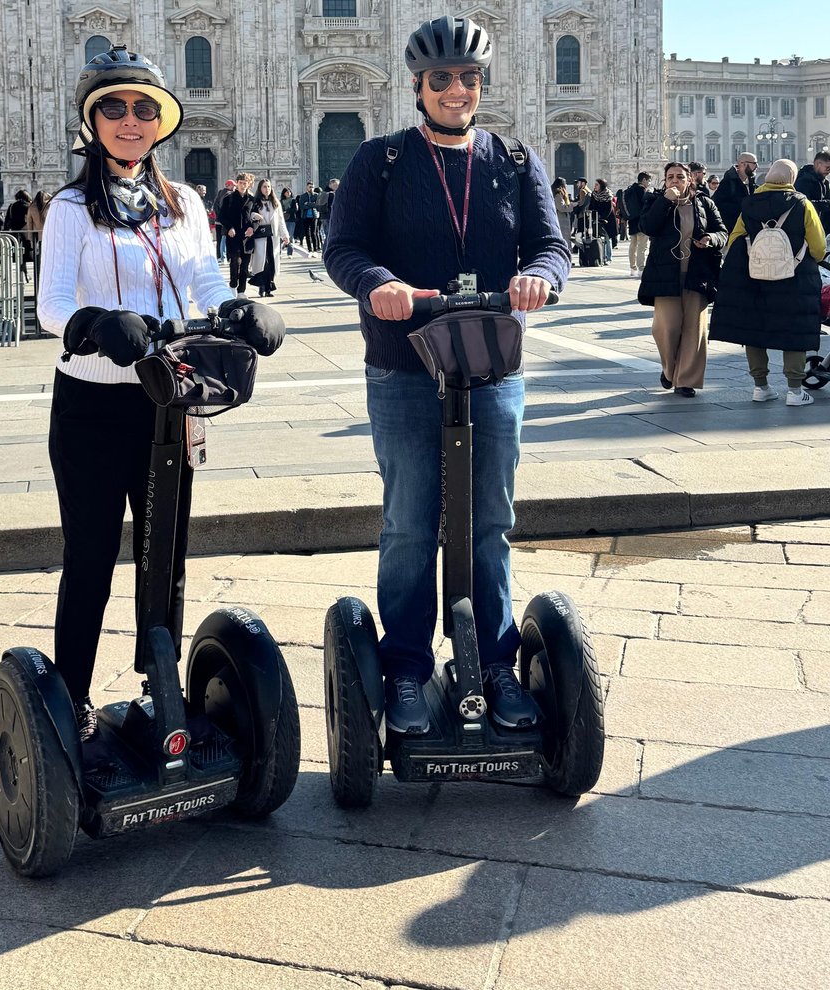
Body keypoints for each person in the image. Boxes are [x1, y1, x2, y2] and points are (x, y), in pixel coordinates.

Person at [323, 15, 570, 734]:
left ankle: (494, 663)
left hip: (492, 364)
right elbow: (344, 247)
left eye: (467, 79)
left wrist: (537, 278)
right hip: (404, 364)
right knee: (408, 522)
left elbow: (552, 247)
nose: (456, 90)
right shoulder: (381, 160)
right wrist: (376, 282)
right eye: (441, 80)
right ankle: (405, 666)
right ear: (417, 87)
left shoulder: (517, 161)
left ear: (479, 85)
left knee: (491, 519)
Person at [36, 45, 283, 739]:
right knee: (88, 558)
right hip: (91, 405)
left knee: (163, 552)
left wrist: (239, 308)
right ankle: (72, 701)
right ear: (93, 123)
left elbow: (204, 281)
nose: (130, 121)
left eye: (143, 109)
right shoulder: (69, 208)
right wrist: (93, 322)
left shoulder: (187, 203)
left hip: (167, 403)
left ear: (160, 123)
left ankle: (160, 691)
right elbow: (50, 306)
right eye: (113, 108)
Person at [710, 159, 826, 407]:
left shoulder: (750, 203)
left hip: (756, 277)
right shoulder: (802, 204)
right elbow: (818, 246)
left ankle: (760, 387)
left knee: (755, 329)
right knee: (794, 329)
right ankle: (795, 391)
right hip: (794, 279)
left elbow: (736, 238)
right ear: (791, 179)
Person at [637, 161, 727, 398]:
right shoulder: (655, 200)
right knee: (666, 328)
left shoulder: (705, 203)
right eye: (670, 177)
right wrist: (665, 200)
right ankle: (669, 370)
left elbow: (722, 232)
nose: (674, 181)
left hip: (697, 273)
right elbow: (647, 226)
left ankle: (685, 380)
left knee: (694, 330)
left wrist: (710, 238)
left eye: (679, 177)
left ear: (690, 180)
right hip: (665, 274)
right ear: (665, 181)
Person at [248, 178, 289, 296]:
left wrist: (285, 235)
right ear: (260, 189)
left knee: (272, 261)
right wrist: (254, 215)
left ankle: (269, 286)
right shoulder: (255, 202)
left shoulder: (275, 203)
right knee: (262, 262)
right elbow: (248, 215)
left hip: (273, 236)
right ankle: (262, 286)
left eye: (269, 187)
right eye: (264, 187)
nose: (267, 189)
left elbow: (281, 220)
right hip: (260, 236)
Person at [218, 172, 257, 293]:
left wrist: (252, 228)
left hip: (247, 236)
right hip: (233, 235)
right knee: (235, 262)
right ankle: (233, 285)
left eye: (245, 183)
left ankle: (242, 291)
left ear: (249, 185)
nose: (242, 185)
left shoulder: (252, 200)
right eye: (240, 183)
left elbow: (256, 217)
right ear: (237, 183)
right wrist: (229, 228)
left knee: (245, 265)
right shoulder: (228, 198)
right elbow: (221, 216)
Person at [794, 150, 830, 236]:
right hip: (809, 228)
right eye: (828, 167)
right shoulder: (803, 181)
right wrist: (829, 204)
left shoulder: (826, 182)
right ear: (818, 164)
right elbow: (803, 204)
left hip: (823, 228)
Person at [712, 152, 757, 234]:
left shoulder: (752, 182)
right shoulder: (728, 182)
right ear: (743, 164)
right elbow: (718, 205)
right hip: (732, 231)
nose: (757, 167)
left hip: (746, 230)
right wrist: (743, 207)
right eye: (754, 163)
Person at [623, 172, 652, 274]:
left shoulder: (630, 189)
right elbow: (645, 205)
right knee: (642, 246)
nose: (649, 183)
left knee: (633, 245)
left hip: (632, 221)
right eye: (648, 180)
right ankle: (641, 268)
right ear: (643, 180)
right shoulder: (642, 190)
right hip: (641, 221)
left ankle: (632, 268)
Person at [587, 178, 618, 265]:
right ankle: (600, 256)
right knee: (599, 238)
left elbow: (608, 209)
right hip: (596, 218)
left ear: (602, 185)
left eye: (597, 184)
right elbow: (591, 206)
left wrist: (602, 218)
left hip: (607, 219)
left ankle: (608, 257)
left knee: (607, 238)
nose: (595, 186)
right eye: (595, 184)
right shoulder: (594, 194)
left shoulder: (608, 195)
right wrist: (591, 215)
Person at [213, 178, 236, 260]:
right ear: (228, 186)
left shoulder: (220, 193)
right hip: (225, 220)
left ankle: (220, 256)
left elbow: (215, 206)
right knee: (225, 237)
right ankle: (225, 256)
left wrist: (218, 217)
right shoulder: (229, 194)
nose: (234, 187)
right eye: (233, 186)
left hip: (218, 220)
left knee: (220, 238)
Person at [297, 181, 321, 251]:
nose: (311, 188)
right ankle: (310, 249)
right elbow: (301, 206)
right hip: (305, 216)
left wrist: (307, 203)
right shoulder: (303, 196)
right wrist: (311, 204)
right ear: (307, 187)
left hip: (314, 216)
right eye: (310, 187)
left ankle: (315, 248)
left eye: (312, 187)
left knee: (314, 233)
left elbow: (317, 205)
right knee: (307, 233)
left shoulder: (316, 195)